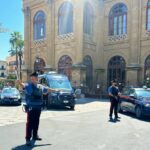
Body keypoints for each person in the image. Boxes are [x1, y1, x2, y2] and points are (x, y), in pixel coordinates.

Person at [16, 72, 58, 146]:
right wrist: (19, 82)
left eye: (34, 78)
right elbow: (23, 86)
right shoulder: (28, 86)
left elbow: (47, 90)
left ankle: (35, 136)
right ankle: (28, 139)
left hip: (38, 107)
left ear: (37, 79)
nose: (32, 80)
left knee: (36, 122)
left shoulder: (40, 86)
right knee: (29, 123)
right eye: (31, 78)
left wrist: (55, 90)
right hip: (31, 107)